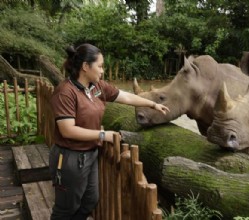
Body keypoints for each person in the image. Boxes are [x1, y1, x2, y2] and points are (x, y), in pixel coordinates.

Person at [49, 43, 170, 220]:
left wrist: (152, 104)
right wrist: (102, 135)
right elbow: (67, 130)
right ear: (85, 67)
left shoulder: (97, 87)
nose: (102, 71)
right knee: (66, 208)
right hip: (69, 158)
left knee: (90, 200)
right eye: (100, 66)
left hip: (90, 154)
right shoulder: (65, 92)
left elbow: (126, 96)